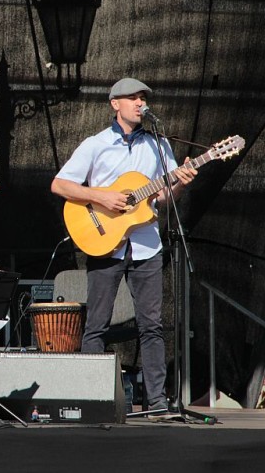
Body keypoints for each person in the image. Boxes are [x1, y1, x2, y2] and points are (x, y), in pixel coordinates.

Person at [50, 78, 197, 412]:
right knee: (96, 325)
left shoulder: (159, 144)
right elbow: (60, 185)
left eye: (142, 98)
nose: (140, 103)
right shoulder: (96, 144)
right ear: (115, 103)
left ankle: (156, 401)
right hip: (104, 241)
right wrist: (100, 196)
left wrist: (181, 184)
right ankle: (92, 400)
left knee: (152, 326)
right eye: (133, 98)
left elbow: (163, 198)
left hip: (146, 246)